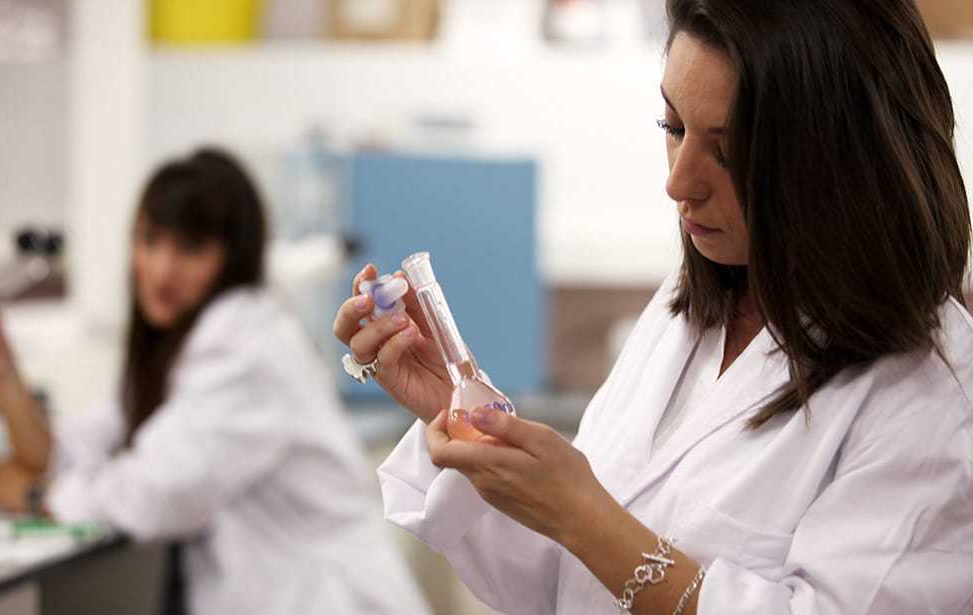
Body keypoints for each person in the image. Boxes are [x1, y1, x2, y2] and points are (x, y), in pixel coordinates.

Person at [333, 1, 973, 613]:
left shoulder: (930, 398)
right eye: (674, 128)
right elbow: (564, 585)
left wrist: (583, 515)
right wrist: (458, 407)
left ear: (842, 161)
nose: (678, 182)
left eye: (728, 152)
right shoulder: (688, 309)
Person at [0, 148, 431, 615]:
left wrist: (37, 497)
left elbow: (154, 494)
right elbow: (65, 451)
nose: (162, 269)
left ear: (232, 257)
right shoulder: (179, 351)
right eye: (150, 241)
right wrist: (3, 372)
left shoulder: (247, 349)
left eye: (190, 248)